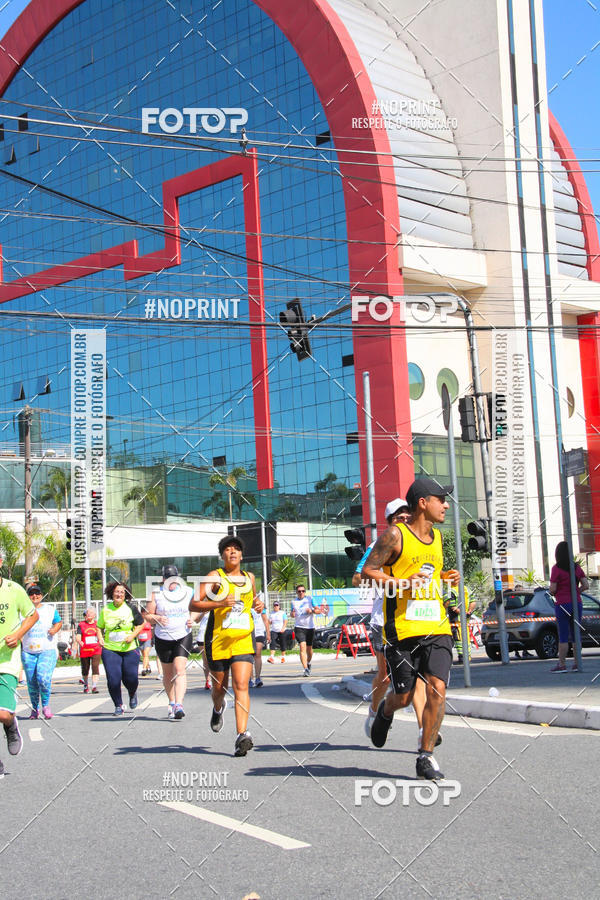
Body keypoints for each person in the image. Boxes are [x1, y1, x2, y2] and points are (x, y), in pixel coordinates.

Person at [362, 477, 459, 781]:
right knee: (403, 697)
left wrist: (445, 577)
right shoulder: (395, 535)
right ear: (423, 503)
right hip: (401, 628)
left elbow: (429, 574)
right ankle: (385, 711)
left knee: (437, 688)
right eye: (440, 499)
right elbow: (368, 571)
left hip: (436, 625)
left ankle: (425, 756)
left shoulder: (438, 538)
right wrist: (402, 582)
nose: (445, 506)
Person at [189, 535, 263, 756]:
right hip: (218, 641)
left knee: (241, 685)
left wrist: (259, 604)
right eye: (228, 549)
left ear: (242, 555)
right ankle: (218, 708)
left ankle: (242, 735)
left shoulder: (249, 577)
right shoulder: (215, 576)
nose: (232, 552)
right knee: (219, 689)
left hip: (243, 639)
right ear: (222, 555)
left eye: (236, 549)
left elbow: (253, 600)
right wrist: (219, 603)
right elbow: (194, 604)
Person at [0, 554, 38, 778]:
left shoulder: (14, 590)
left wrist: (18, 634)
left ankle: (10, 725)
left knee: (3, 714)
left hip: (6, 661)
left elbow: (32, 615)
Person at [144, 565, 198, 719]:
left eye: (174, 578)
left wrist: (192, 618)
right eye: (168, 578)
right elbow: (147, 615)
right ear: (163, 579)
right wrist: (157, 618)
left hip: (183, 635)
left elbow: (196, 608)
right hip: (163, 637)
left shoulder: (187, 591)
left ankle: (179, 705)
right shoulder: (155, 593)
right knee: (168, 674)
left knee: (179, 669)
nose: (171, 581)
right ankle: (172, 702)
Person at [98, 582, 145, 716]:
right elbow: (99, 626)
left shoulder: (130, 608)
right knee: (113, 678)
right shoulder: (106, 609)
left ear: (126, 595)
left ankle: (132, 692)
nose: (119, 594)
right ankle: (118, 705)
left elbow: (141, 624)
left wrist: (132, 636)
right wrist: (100, 638)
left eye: (122, 592)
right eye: (117, 592)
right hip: (110, 649)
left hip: (130, 648)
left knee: (131, 678)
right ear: (112, 593)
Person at [21, 585, 62, 719]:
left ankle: (45, 705)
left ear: (41, 594)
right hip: (28, 651)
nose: (35, 596)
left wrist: (54, 630)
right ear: (28, 596)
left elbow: (58, 622)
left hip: (47, 650)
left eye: (37, 593)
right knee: (32, 682)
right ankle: (35, 708)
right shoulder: (21, 611)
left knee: (43, 678)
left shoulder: (49, 610)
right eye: (31, 594)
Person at [549, 541, 589, 673]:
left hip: (562, 604)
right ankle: (577, 663)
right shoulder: (576, 567)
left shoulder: (556, 568)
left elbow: (553, 589)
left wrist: (553, 593)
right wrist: (576, 592)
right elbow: (586, 585)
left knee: (563, 636)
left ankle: (562, 664)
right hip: (577, 603)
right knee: (576, 634)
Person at [291, 584, 322, 676]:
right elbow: (292, 613)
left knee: (309, 649)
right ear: (296, 592)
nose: (301, 593)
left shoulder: (310, 599)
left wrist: (311, 611)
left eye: (303, 591)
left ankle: (308, 663)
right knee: (302, 646)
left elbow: (319, 611)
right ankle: (305, 669)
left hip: (310, 627)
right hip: (299, 627)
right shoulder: (294, 602)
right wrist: (292, 614)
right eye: (299, 591)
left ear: (305, 592)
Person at [445, 587, 476, 664]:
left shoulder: (451, 591)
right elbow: (473, 602)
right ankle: (468, 656)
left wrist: (462, 613)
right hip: (465, 620)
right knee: (466, 638)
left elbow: (452, 607)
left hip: (456, 620)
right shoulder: (467, 589)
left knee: (458, 639)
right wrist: (469, 611)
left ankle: (462, 657)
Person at [76, 608, 102, 693]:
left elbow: (100, 634)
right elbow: (78, 635)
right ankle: (86, 684)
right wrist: (79, 641)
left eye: (91, 613)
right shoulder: (81, 624)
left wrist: (101, 640)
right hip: (85, 650)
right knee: (85, 669)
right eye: (87, 613)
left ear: (94, 615)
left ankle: (94, 686)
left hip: (96, 649)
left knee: (95, 667)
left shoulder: (98, 624)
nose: (89, 615)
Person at [250, 600, 270, 687]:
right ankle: (250, 678)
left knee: (257, 654)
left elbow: (265, 620)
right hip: (248, 632)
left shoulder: (259, 604)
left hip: (259, 632)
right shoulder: (245, 603)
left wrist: (268, 633)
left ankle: (258, 677)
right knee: (249, 655)